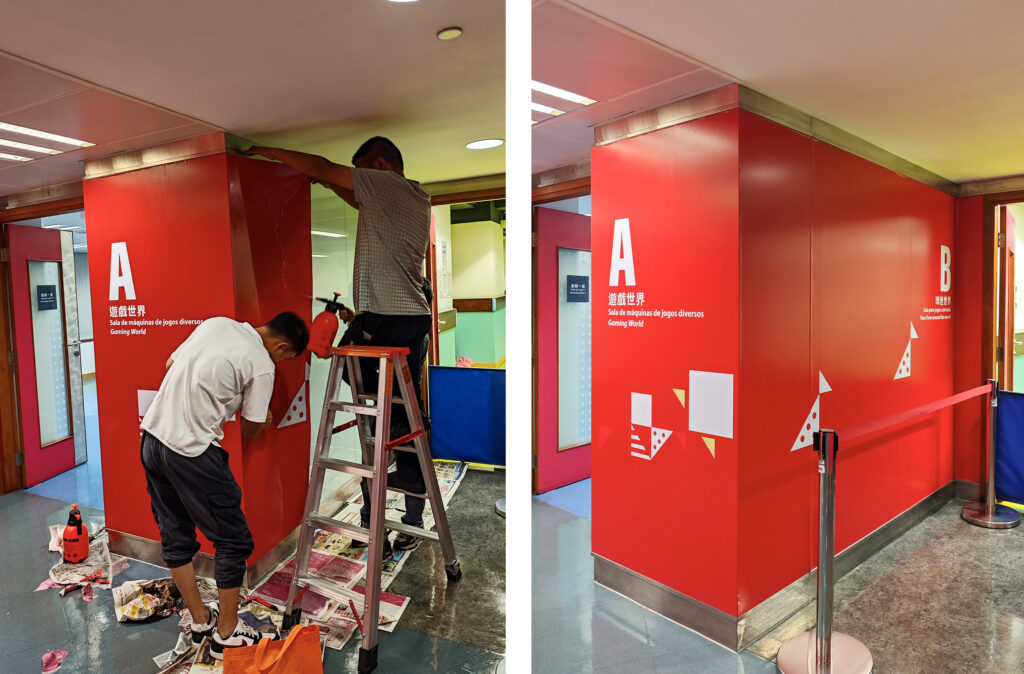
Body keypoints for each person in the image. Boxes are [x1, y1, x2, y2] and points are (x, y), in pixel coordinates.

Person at [242, 138, 432, 553]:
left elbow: (322, 165)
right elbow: (349, 194)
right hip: (409, 319)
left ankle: (381, 481)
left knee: (370, 399)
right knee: (406, 403)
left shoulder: (386, 184)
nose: (358, 181)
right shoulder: (415, 196)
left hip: (386, 318)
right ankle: (407, 492)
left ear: (379, 165)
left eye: (361, 171)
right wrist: (325, 183)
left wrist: (271, 151)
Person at [140, 312, 309, 659]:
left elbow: (171, 363)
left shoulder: (217, 324)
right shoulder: (263, 365)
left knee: (175, 535)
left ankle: (201, 621)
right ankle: (227, 634)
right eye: (286, 357)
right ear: (281, 346)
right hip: (191, 450)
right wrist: (263, 422)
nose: (280, 362)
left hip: (152, 439)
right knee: (233, 540)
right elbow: (250, 426)